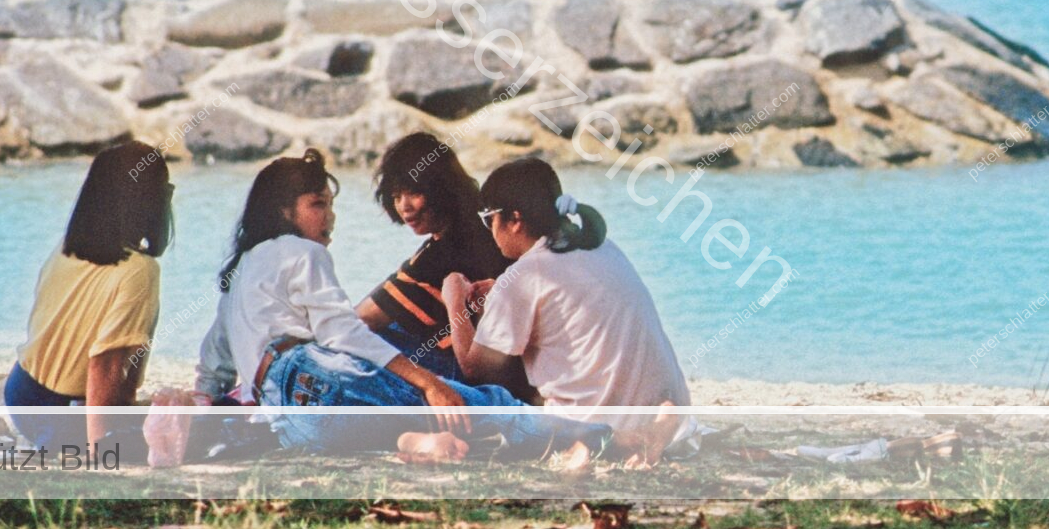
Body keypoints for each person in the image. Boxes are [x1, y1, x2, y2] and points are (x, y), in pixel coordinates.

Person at [194, 149, 659, 462]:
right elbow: (342, 333)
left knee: (402, 399)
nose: (330, 216)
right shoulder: (304, 252)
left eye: (331, 204)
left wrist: (204, 400)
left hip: (289, 420)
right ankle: (608, 441)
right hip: (309, 384)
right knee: (481, 402)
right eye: (318, 204)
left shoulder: (245, 265)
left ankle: (413, 441)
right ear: (283, 211)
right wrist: (427, 381)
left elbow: (215, 355)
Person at [443, 158, 698, 449]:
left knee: (462, 391)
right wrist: (500, 295)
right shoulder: (601, 246)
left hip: (595, 427)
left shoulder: (522, 276)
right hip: (669, 415)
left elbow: (474, 369)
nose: (489, 229)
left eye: (489, 219)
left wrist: (454, 302)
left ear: (514, 220)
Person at [6, 141, 173, 453]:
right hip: (65, 415)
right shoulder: (139, 270)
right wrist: (102, 448)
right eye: (165, 190)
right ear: (148, 201)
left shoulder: (68, 247)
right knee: (192, 431)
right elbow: (105, 363)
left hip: (20, 394)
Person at [354, 133, 513, 381]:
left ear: (440, 189)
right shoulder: (484, 225)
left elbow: (363, 318)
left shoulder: (437, 256)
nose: (404, 207)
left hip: (475, 374)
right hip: (505, 363)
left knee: (367, 335)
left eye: (413, 193)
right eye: (396, 197)